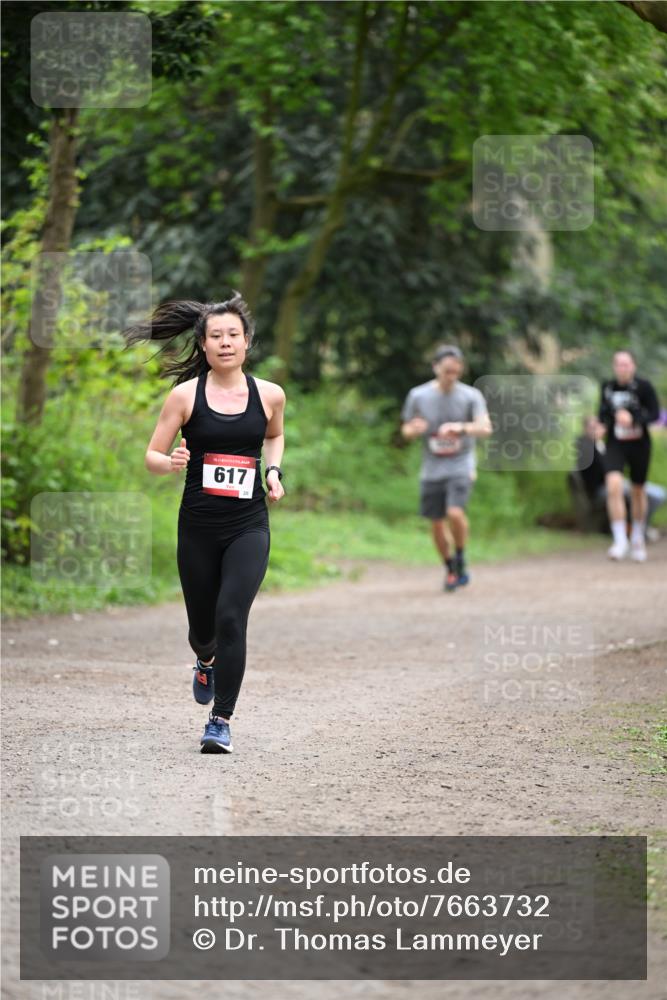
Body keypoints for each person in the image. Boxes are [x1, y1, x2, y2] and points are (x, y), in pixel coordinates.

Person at [131, 292, 286, 754]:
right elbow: (152, 455)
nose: (225, 342)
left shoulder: (270, 394)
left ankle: (220, 720)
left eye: (233, 334)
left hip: (248, 525)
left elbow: (275, 435)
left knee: (232, 616)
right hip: (198, 526)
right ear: (202, 344)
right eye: (216, 335)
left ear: (247, 341)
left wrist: (273, 472)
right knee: (203, 630)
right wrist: (170, 462)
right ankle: (205, 659)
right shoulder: (185, 396)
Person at [401, 344, 492, 591]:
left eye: (456, 371)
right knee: (436, 522)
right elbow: (406, 429)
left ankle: (460, 555)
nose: (451, 376)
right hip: (432, 468)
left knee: (454, 513)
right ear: (435, 368)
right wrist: (414, 429)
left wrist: (460, 428)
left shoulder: (471, 395)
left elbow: (485, 427)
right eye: (447, 371)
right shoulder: (418, 395)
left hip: (461, 464)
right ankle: (450, 568)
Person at [598, 350, 660, 561]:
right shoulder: (607, 387)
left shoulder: (644, 387)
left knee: (638, 490)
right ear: (614, 366)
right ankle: (619, 539)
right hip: (616, 443)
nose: (622, 368)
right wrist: (602, 425)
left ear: (633, 366)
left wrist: (633, 418)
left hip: (639, 445)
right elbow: (602, 414)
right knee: (613, 485)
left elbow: (655, 414)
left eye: (626, 364)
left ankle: (637, 536)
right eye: (618, 364)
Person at [574, 415, 665, 539]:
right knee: (647, 494)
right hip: (602, 487)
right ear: (586, 429)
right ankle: (635, 530)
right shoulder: (586, 447)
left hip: (617, 482)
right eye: (593, 427)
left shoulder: (605, 444)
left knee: (655, 494)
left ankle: (639, 527)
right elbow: (597, 473)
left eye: (599, 425)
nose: (598, 429)